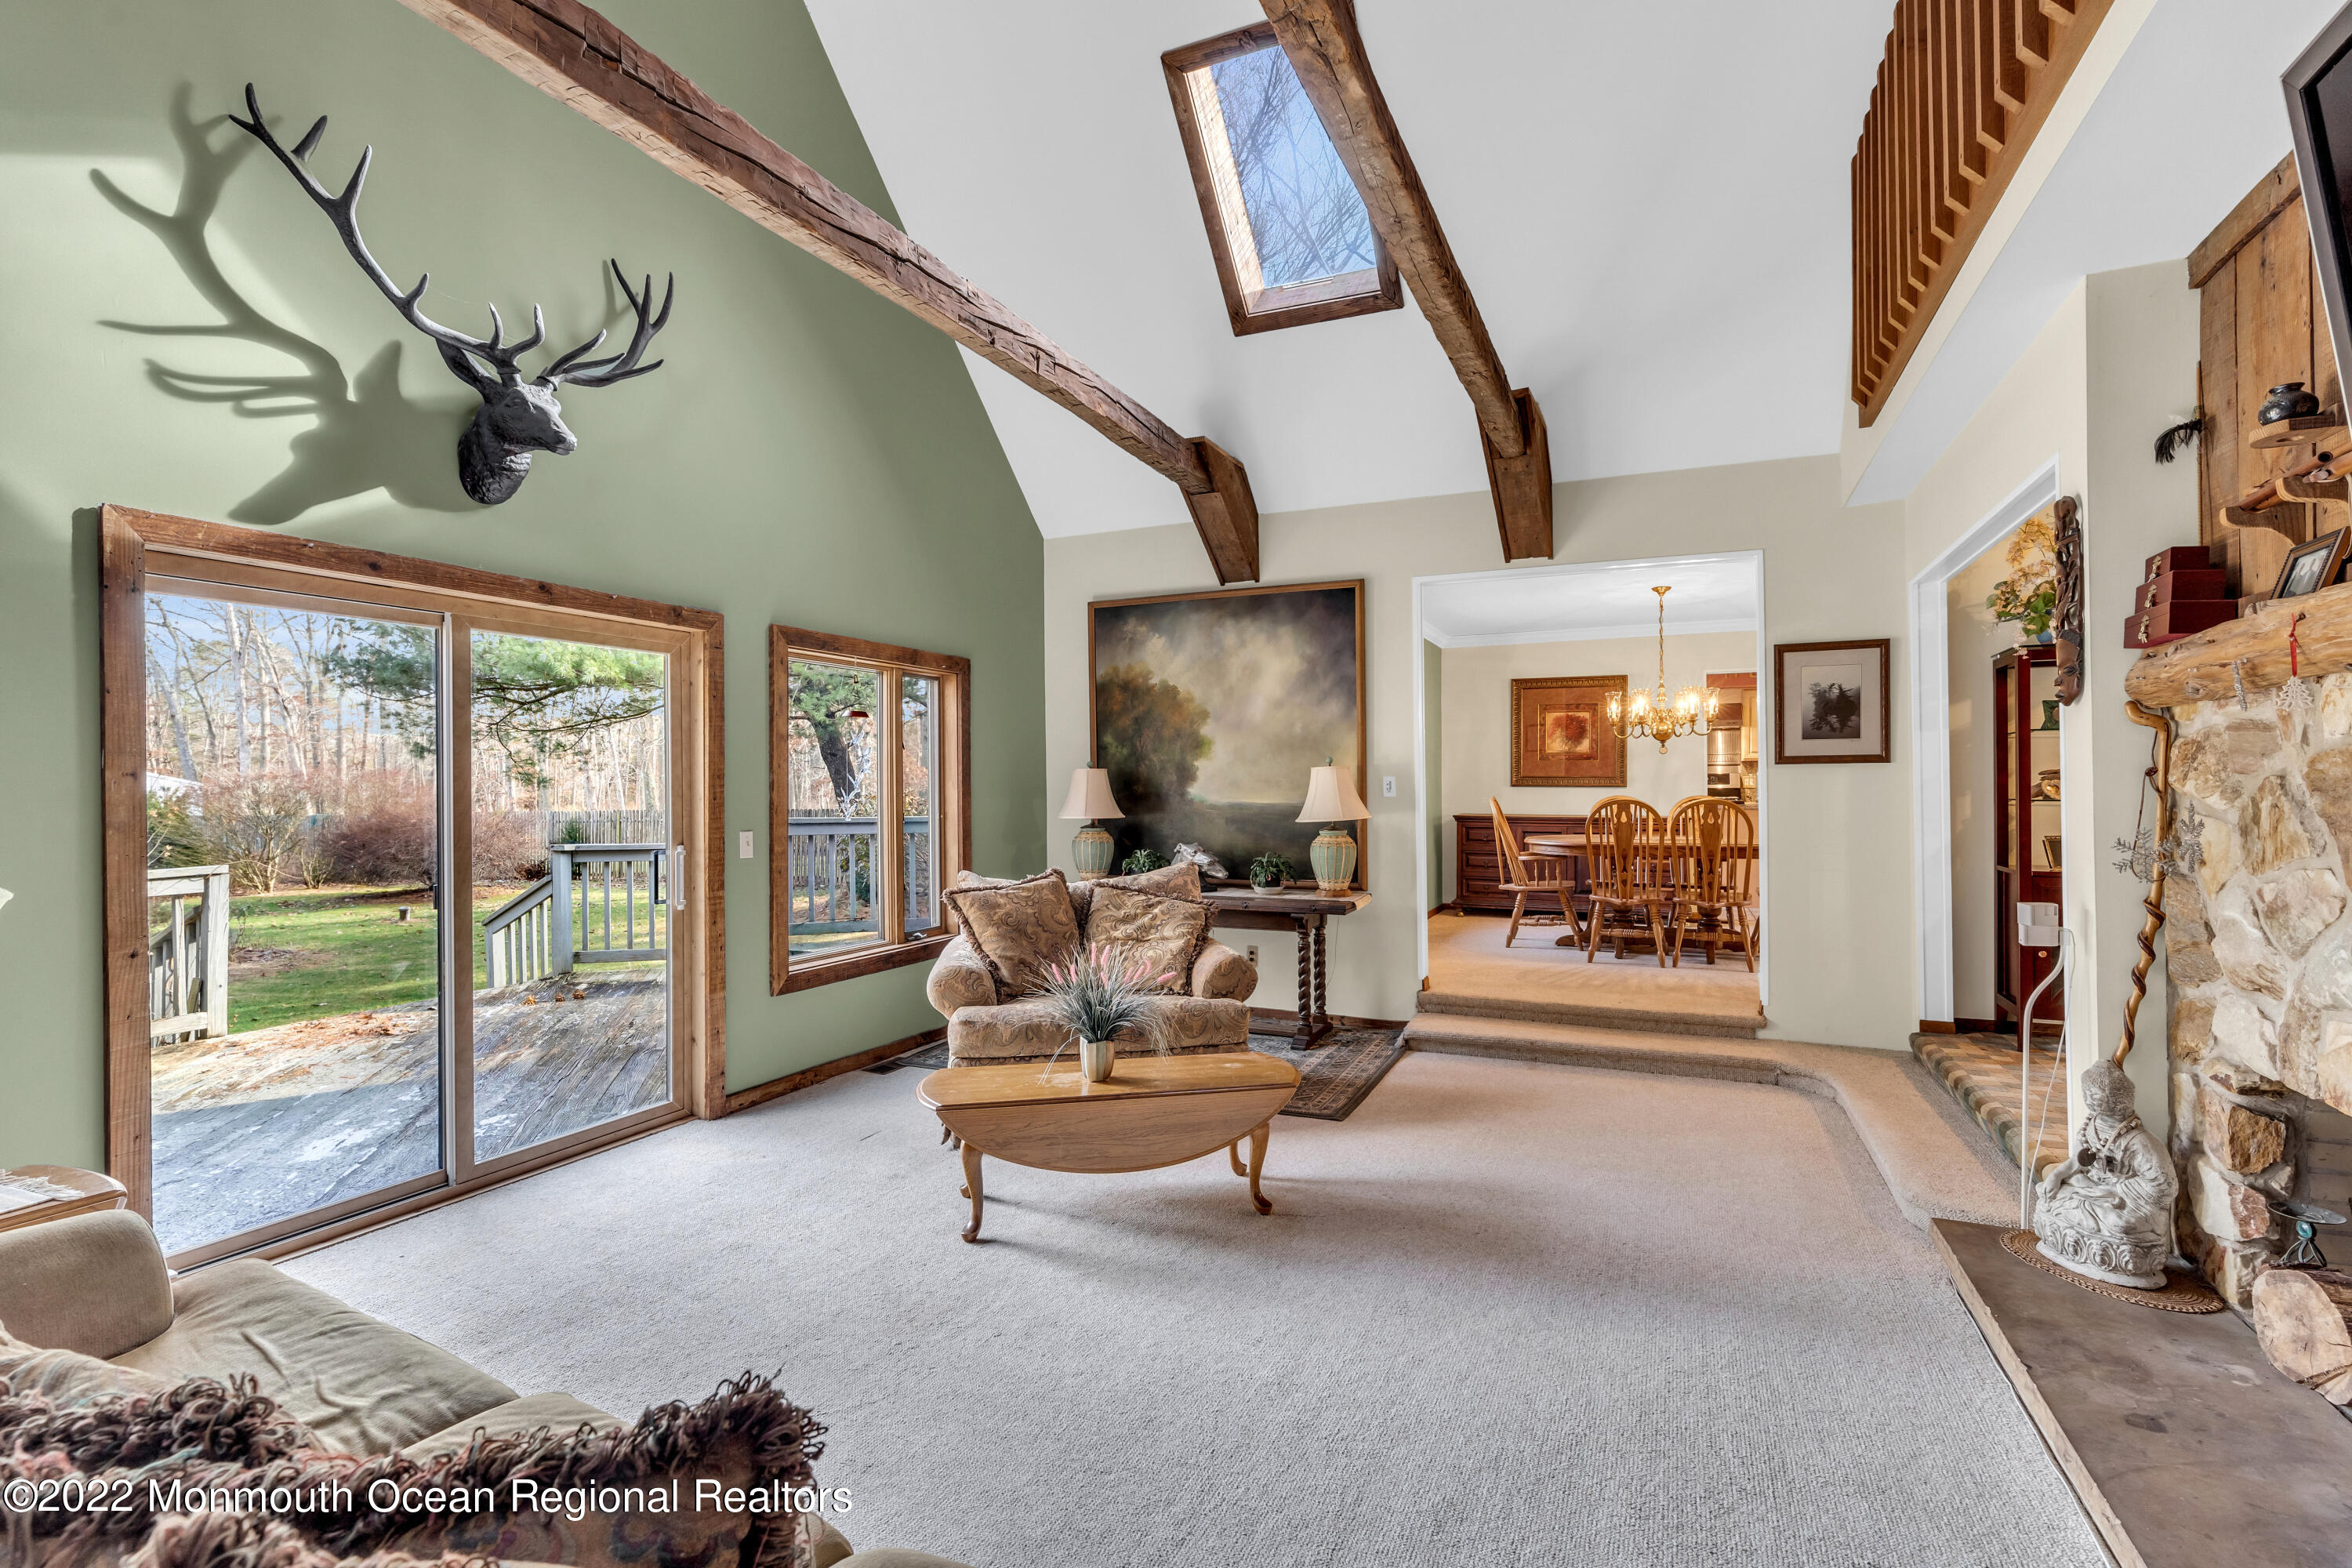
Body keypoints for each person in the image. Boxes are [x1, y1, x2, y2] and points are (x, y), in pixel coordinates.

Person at [2034, 1060, 2177, 1288]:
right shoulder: (2092, 1125)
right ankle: (2072, 1239)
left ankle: (2115, 1255)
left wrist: (2112, 1189)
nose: (2088, 1100)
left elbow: (2165, 1187)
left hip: (2129, 1202)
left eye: (2096, 1095)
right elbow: (2080, 1160)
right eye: (2086, 1094)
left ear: (2117, 1099)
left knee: (2122, 1225)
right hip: (2094, 1190)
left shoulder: (2140, 1141)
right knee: (2049, 1198)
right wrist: (2058, 1175)